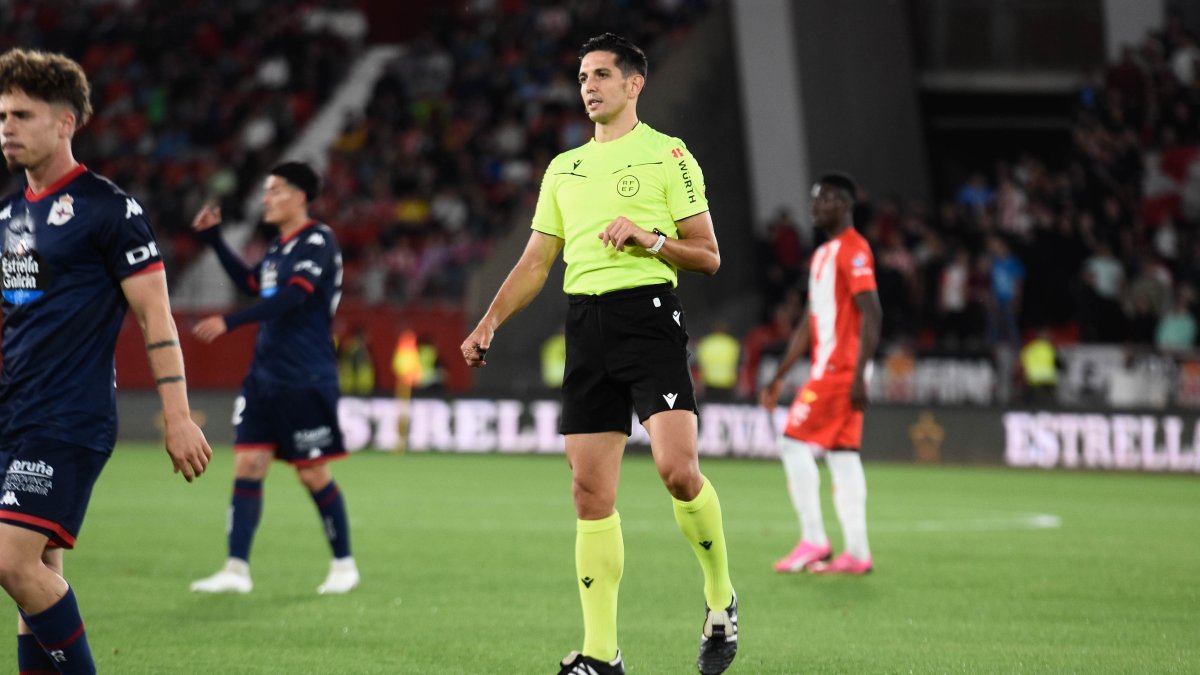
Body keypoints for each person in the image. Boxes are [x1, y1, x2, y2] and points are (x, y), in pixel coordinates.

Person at [461, 33, 737, 675]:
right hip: (585, 326)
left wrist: (651, 239)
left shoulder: (669, 155)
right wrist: (489, 321)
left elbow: (709, 255)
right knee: (590, 493)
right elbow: (536, 260)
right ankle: (600, 655)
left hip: (649, 318)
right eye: (583, 75)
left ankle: (720, 599)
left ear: (634, 84)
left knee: (677, 470)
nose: (589, 85)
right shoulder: (564, 168)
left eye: (603, 74)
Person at [0, 48, 212, 674]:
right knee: (33, 575)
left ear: (65, 123)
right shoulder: (11, 216)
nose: (6, 126)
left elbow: (157, 318)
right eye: (2, 114)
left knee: (11, 561)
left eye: (22, 115)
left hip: (68, 416)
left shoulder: (108, 210)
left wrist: (176, 415)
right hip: (16, 414)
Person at [188, 161, 359, 595]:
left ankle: (343, 565)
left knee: (312, 473)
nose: (266, 198)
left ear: (300, 196)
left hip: (305, 375)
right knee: (248, 463)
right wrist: (214, 240)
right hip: (264, 375)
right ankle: (236, 568)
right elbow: (251, 280)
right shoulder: (280, 249)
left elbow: (293, 296)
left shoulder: (318, 240)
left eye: (275, 190)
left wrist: (233, 321)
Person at [759, 173, 882, 576]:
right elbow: (810, 324)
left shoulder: (854, 250)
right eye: (813, 199)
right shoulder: (823, 255)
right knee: (843, 457)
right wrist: (779, 375)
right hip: (833, 367)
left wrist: (859, 373)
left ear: (845, 204)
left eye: (824, 199)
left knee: (793, 443)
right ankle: (857, 553)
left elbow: (872, 312)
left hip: (840, 369)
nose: (815, 205)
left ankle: (813, 539)